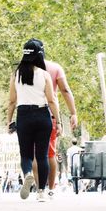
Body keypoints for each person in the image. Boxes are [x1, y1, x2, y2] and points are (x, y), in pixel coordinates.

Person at [7, 38, 62, 202]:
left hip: (23, 115)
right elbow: (51, 100)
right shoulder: (44, 75)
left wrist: (9, 121)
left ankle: (28, 174)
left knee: (26, 155)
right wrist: (58, 121)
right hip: (42, 115)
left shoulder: (16, 74)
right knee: (43, 155)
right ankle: (41, 192)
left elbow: (11, 101)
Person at [30, 38, 78, 198]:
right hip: (49, 115)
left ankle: (39, 189)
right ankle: (50, 188)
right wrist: (73, 113)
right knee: (50, 153)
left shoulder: (25, 69)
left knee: (36, 154)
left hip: (29, 114)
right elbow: (65, 90)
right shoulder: (55, 68)